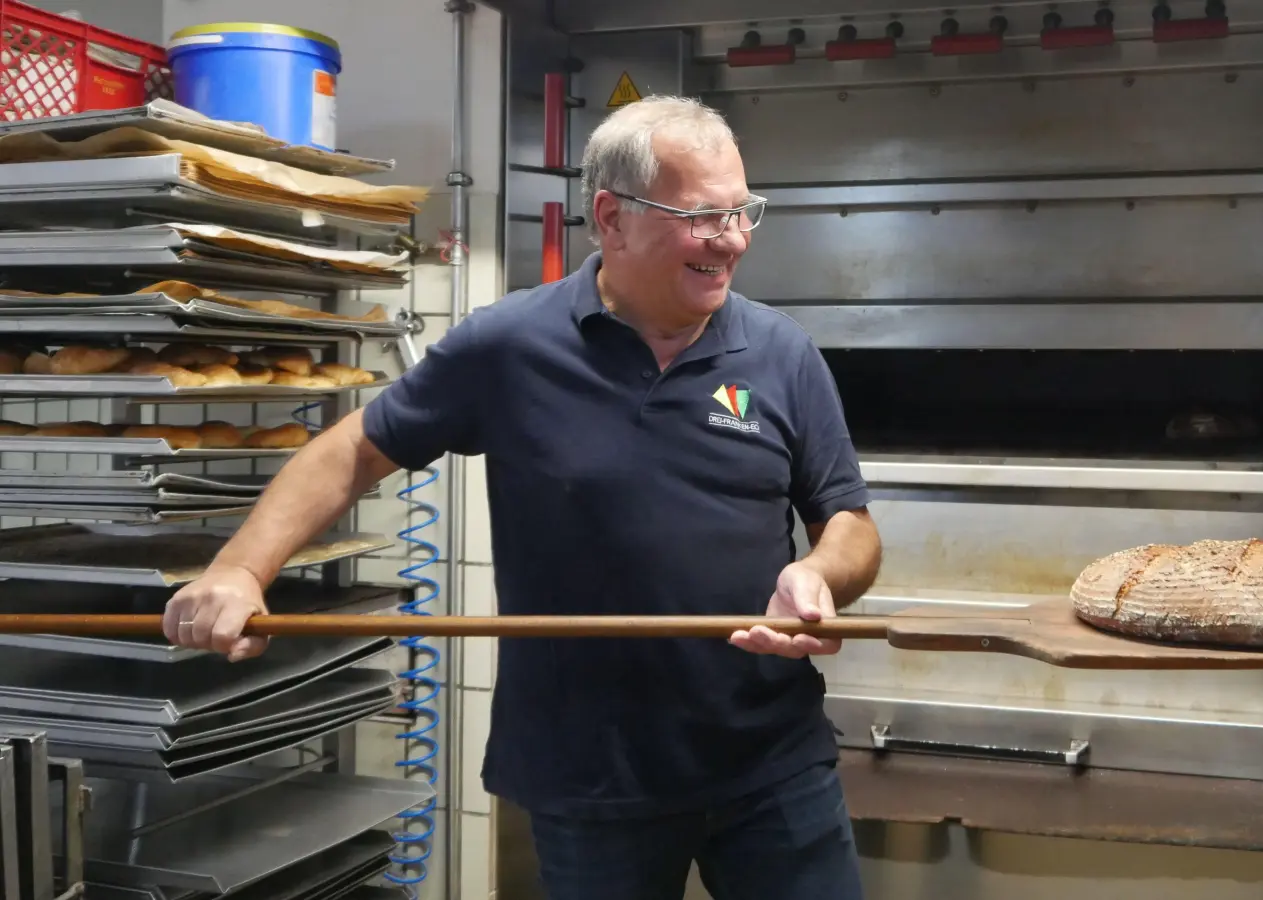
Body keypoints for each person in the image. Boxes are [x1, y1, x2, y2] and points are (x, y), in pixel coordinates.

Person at [162, 94, 882, 899]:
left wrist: (821, 574)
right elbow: (353, 450)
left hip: (769, 762)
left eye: (744, 212)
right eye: (705, 217)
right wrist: (239, 569)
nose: (735, 240)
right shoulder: (510, 345)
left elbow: (848, 522)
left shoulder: (782, 351)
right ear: (612, 217)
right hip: (588, 777)